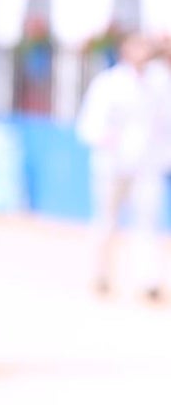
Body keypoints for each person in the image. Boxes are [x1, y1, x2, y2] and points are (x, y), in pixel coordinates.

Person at [76, 33, 171, 299]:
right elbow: (88, 125)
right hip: (111, 165)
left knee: (148, 223)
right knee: (106, 221)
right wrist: (106, 137)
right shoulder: (108, 84)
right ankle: (100, 275)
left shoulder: (160, 82)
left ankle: (149, 281)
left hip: (147, 165)